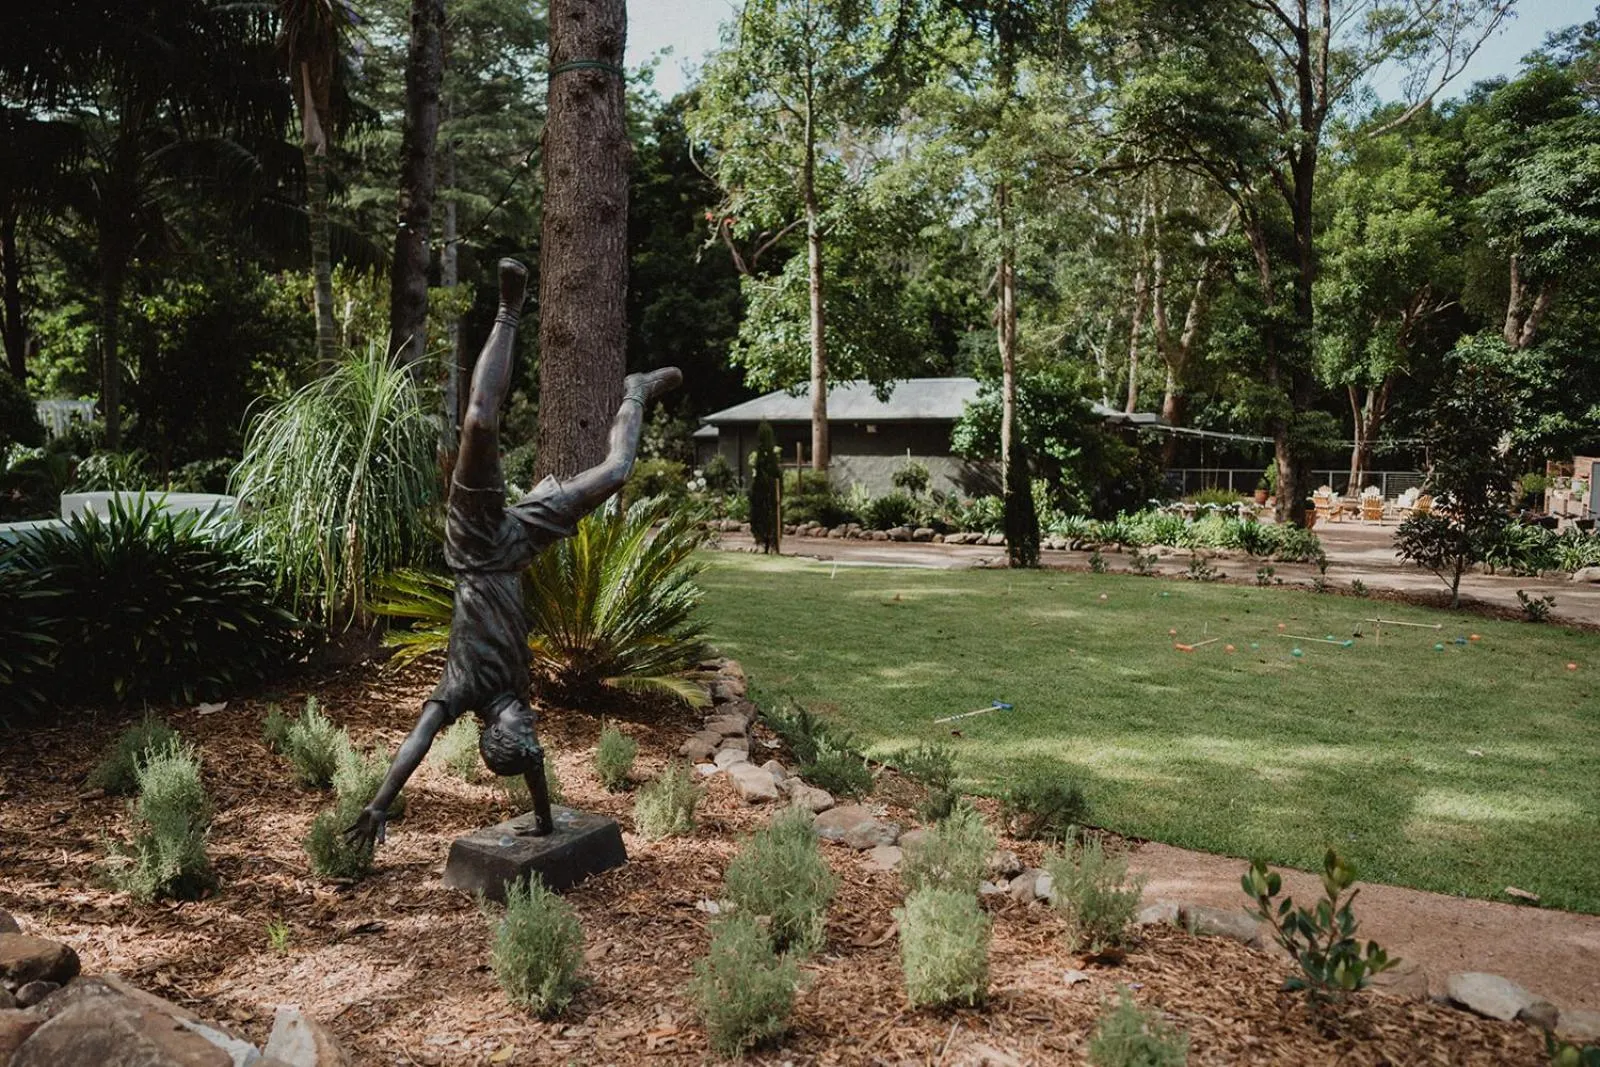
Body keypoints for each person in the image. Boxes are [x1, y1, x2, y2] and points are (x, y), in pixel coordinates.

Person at [345, 258, 681, 850]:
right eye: (533, 730)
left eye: (522, 727)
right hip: (518, 546)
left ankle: (508, 309)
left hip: (475, 548)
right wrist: (548, 824)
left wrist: (379, 805)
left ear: (495, 732)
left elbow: (416, 746)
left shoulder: (459, 691)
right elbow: (535, 774)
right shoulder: (516, 712)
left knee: (479, 421)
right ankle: (635, 391)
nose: (532, 720)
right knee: (618, 469)